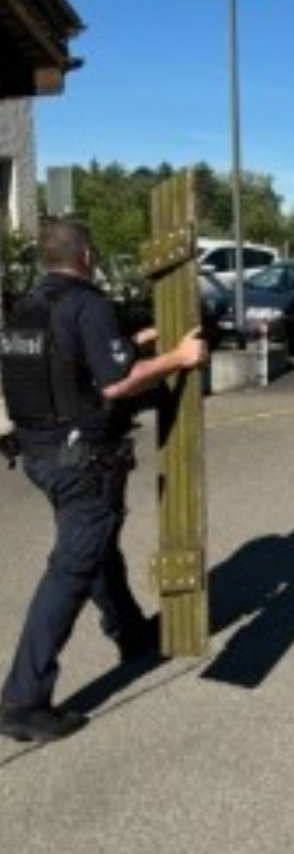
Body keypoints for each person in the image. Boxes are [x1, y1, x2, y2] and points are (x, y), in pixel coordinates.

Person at [0, 217, 208, 743]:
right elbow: (115, 383)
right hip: (82, 459)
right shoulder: (87, 303)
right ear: (87, 256)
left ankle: (130, 631)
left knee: (96, 545)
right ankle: (22, 700)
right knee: (73, 565)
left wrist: (136, 341)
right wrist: (179, 357)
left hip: (41, 454)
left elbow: (68, 365)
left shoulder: (29, 307)